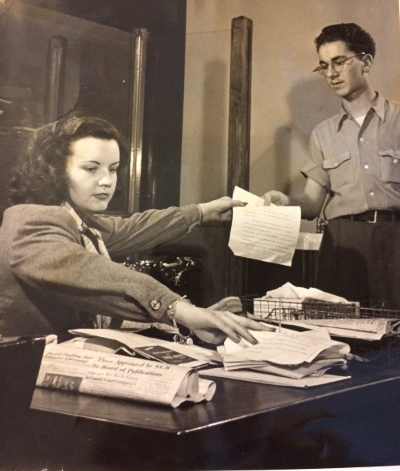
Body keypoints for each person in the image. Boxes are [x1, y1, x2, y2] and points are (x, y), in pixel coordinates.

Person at [0, 110, 265, 343]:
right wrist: (184, 311)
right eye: (91, 169)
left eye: (113, 169)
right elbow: (90, 271)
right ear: (55, 171)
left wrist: (202, 212)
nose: (107, 181)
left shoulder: (75, 218)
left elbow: (133, 228)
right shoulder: (30, 221)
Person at [263, 23, 400, 309]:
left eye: (339, 62)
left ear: (367, 62)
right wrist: (285, 200)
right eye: (324, 66)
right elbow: (313, 204)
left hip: (395, 239)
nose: (331, 74)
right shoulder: (323, 134)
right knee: (344, 331)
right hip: (343, 246)